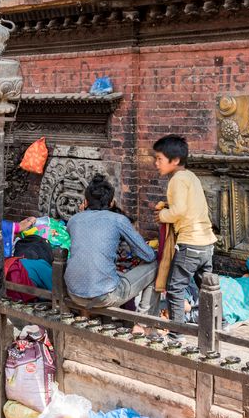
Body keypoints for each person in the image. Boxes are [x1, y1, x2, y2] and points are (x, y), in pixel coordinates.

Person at [65, 174, 159, 314]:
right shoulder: (118, 220)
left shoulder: (73, 220)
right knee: (155, 264)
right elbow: (148, 255)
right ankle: (143, 323)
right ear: (111, 203)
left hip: (74, 293)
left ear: (85, 202)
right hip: (105, 296)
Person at [153, 134, 218, 325]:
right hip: (206, 245)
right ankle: (217, 324)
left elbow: (179, 211)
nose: (156, 163)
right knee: (207, 288)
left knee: (175, 288)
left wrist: (162, 215)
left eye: (159, 159)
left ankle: (176, 333)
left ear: (175, 160)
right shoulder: (191, 177)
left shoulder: (177, 180)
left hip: (190, 244)